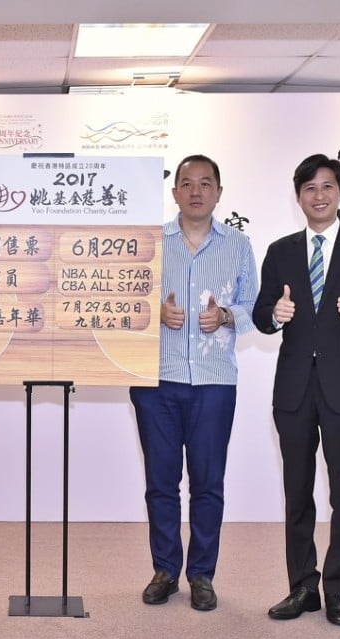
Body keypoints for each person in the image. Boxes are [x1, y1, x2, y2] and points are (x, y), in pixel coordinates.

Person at [253, 154, 340, 626]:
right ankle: (301, 588)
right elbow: (260, 314)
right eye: (310, 188)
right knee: (297, 491)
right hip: (294, 388)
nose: (319, 195)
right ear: (298, 197)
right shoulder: (280, 250)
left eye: (328, 186)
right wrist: (276, 316)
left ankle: (336, 590)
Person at [131, 155, 258, 611]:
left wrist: (224, 315)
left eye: (206, 184)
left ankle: (202, 575)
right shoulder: (150, 242)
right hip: (156, 380)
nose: (196, 191)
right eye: (187, 183)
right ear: (175, 193)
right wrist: (153, 314)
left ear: (219, 192)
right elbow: (124, 299)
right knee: (160, 483)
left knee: (208, 484)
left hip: (214, 382)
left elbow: (253, 309)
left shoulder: (238, 245)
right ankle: (165, 570)